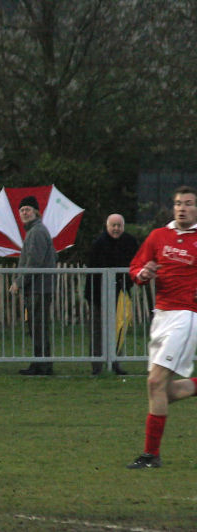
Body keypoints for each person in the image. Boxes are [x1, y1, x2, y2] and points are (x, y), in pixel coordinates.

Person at [125, 185, 197, 469]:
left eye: (189, 203)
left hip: (186, 316)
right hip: (162, 316)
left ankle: (151, 456)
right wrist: (143, 273)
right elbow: (136, 269)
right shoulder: (158, 236)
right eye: (178, 203)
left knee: (155, 383)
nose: (182, 208)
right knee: (160, 390)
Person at [85, 214, 138, 375]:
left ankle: (116, 364)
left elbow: (135, 264)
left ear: (123, 226)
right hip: (97, 295)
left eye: (119, 225)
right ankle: (97, 367)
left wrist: (126, 284)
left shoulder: (130, 242)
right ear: (107, 226)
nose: (116, 229)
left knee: (118, 329)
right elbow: (93, 271)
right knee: (97, 332)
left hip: (120, 294)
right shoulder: (99, 243)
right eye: (113, 225)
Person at [9, 196, 56, 375]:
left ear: (36, 212)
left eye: (28, 209)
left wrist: (18, 282)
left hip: (39, 288)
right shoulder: (35, 231)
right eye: (21, 210)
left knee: (39, 326)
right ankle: (39, 363)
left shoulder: (36, 232)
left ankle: (43, 365)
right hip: (37, 287)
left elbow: (34, 262)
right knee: (36, 327)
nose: (24, 213)